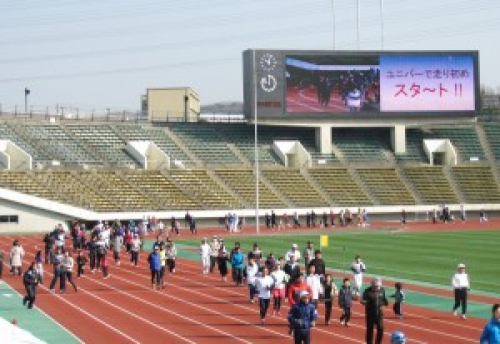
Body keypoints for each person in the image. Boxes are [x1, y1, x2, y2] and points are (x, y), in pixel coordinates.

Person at [361, 277, 389, 344]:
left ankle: (378, 342)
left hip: (379, 314)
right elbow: (363, 300)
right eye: (376, 286)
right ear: (372, 284)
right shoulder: (367, 291)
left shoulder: (382, 290)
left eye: (378, 286)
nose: (377, 288)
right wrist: (363, 302)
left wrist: (384, 304)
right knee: (370, 330)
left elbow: (384, 300)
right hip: (370, 314)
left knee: (381, 328)